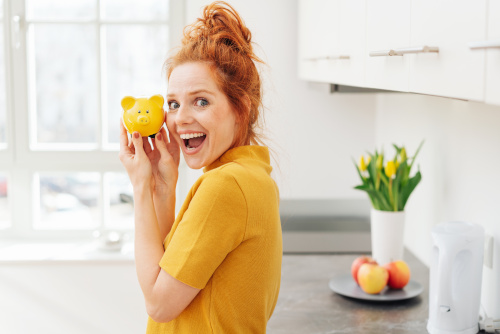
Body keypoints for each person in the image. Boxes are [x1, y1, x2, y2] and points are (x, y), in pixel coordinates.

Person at [119, 1, 282, 333]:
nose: (179, 119)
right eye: (174, 103)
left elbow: (159, 303)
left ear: (241, 109)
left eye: (201, 101)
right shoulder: (251, 175)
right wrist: (162, 187)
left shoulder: (225, 186)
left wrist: (139, 187)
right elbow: (171, 271)